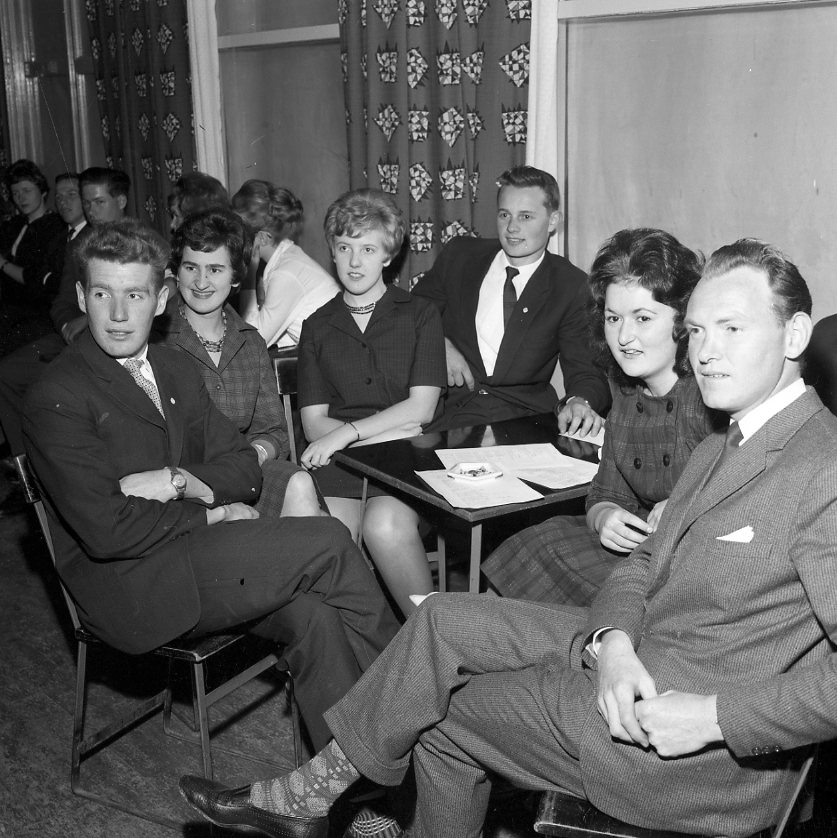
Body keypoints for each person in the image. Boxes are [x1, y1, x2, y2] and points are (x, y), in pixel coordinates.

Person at [181, 237, 837, 838]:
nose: (705, 352)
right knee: (439, 617)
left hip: (683, 746)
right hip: (640, 654)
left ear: (795, 334)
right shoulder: (726, 439)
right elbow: (644, 565)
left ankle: (312, 796)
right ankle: (314, 798)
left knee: (433, 713)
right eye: (696, 330)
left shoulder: (821, 469)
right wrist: (611, 641)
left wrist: (713, 716)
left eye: (731, 328)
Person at [22, 219, 400, 752]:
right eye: (103, 294)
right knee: (329, 540)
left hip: (194, 553)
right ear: (83, 298)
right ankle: (418, 708)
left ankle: (352, 777)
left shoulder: (172, 368)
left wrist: (178, 481)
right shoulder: (56, 394)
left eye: (135, 295)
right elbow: (108, 531)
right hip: (133, 586)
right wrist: (215, 511)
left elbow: (244, 465)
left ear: (160, 300)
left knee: (316, 617)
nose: (119, 314)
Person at [483, 229, 724, 605]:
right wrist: (605, 516)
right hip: (639, 544)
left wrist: (685, 507)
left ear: (684, 320)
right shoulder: (626, 392)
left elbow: (745, 502)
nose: (624, 336)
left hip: (695, 563)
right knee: (531, 545)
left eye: (642, 318)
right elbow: (606, 491)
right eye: (613, 318)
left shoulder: (710, 396)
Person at [298, 189, 445, 618]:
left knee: (384, 525)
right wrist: (378, 436)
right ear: (332, 251)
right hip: (342, 466)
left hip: (405, 466)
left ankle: (432, 637)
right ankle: (363, 645)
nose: (354, 261)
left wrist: (347, 433)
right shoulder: (317, 326)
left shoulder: (420, 314)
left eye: (367, 249)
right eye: (344, 247)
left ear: (388, 255)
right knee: (329, 536)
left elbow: (421, 409)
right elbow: (313, 425)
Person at [412, 165, 609, 435]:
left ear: (553, 221)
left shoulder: (570, 285)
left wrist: (579, 401)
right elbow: (411, 313)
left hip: (523, 420)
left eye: (526, 216)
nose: (512, 227)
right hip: (449, 416)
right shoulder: (460, 256)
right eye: (505, 214)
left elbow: (586, 371)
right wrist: (438, 344)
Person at [155, 208, 318, 516]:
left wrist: (253, 456)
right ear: (177, 271)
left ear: (234, 278)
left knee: (299, 484)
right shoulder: (156, 341)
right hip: (182, 483)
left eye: (215, 270)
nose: (201, 282)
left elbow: (274, 430)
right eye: (191, 268)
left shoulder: (250, 343)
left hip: (244, 472)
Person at [0, 167, 128, 457]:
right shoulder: (79, 245)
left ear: (120, 201)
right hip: (71, 336)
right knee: (7, 374)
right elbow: (62, 300)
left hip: (112, 337)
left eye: (99, 202)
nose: (91, 211)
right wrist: (67, 325)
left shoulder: (141, 240)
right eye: (87, 203)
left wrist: (88, 320)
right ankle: (28, 465)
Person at [234, 180, 338, 349]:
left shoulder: (286, 273)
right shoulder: (288, 259)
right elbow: (285, 338)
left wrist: (249, 275)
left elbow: (252, 344)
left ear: (263, 237)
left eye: (238, 234)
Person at [0, 159, 67, 350]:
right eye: (15, 193)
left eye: (26, 190)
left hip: (35, 313)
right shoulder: (14, 225)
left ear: (42, 191)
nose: (21, 198)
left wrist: (2, 264)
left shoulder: (55, 227)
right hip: (9, 309)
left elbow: (34, 279)